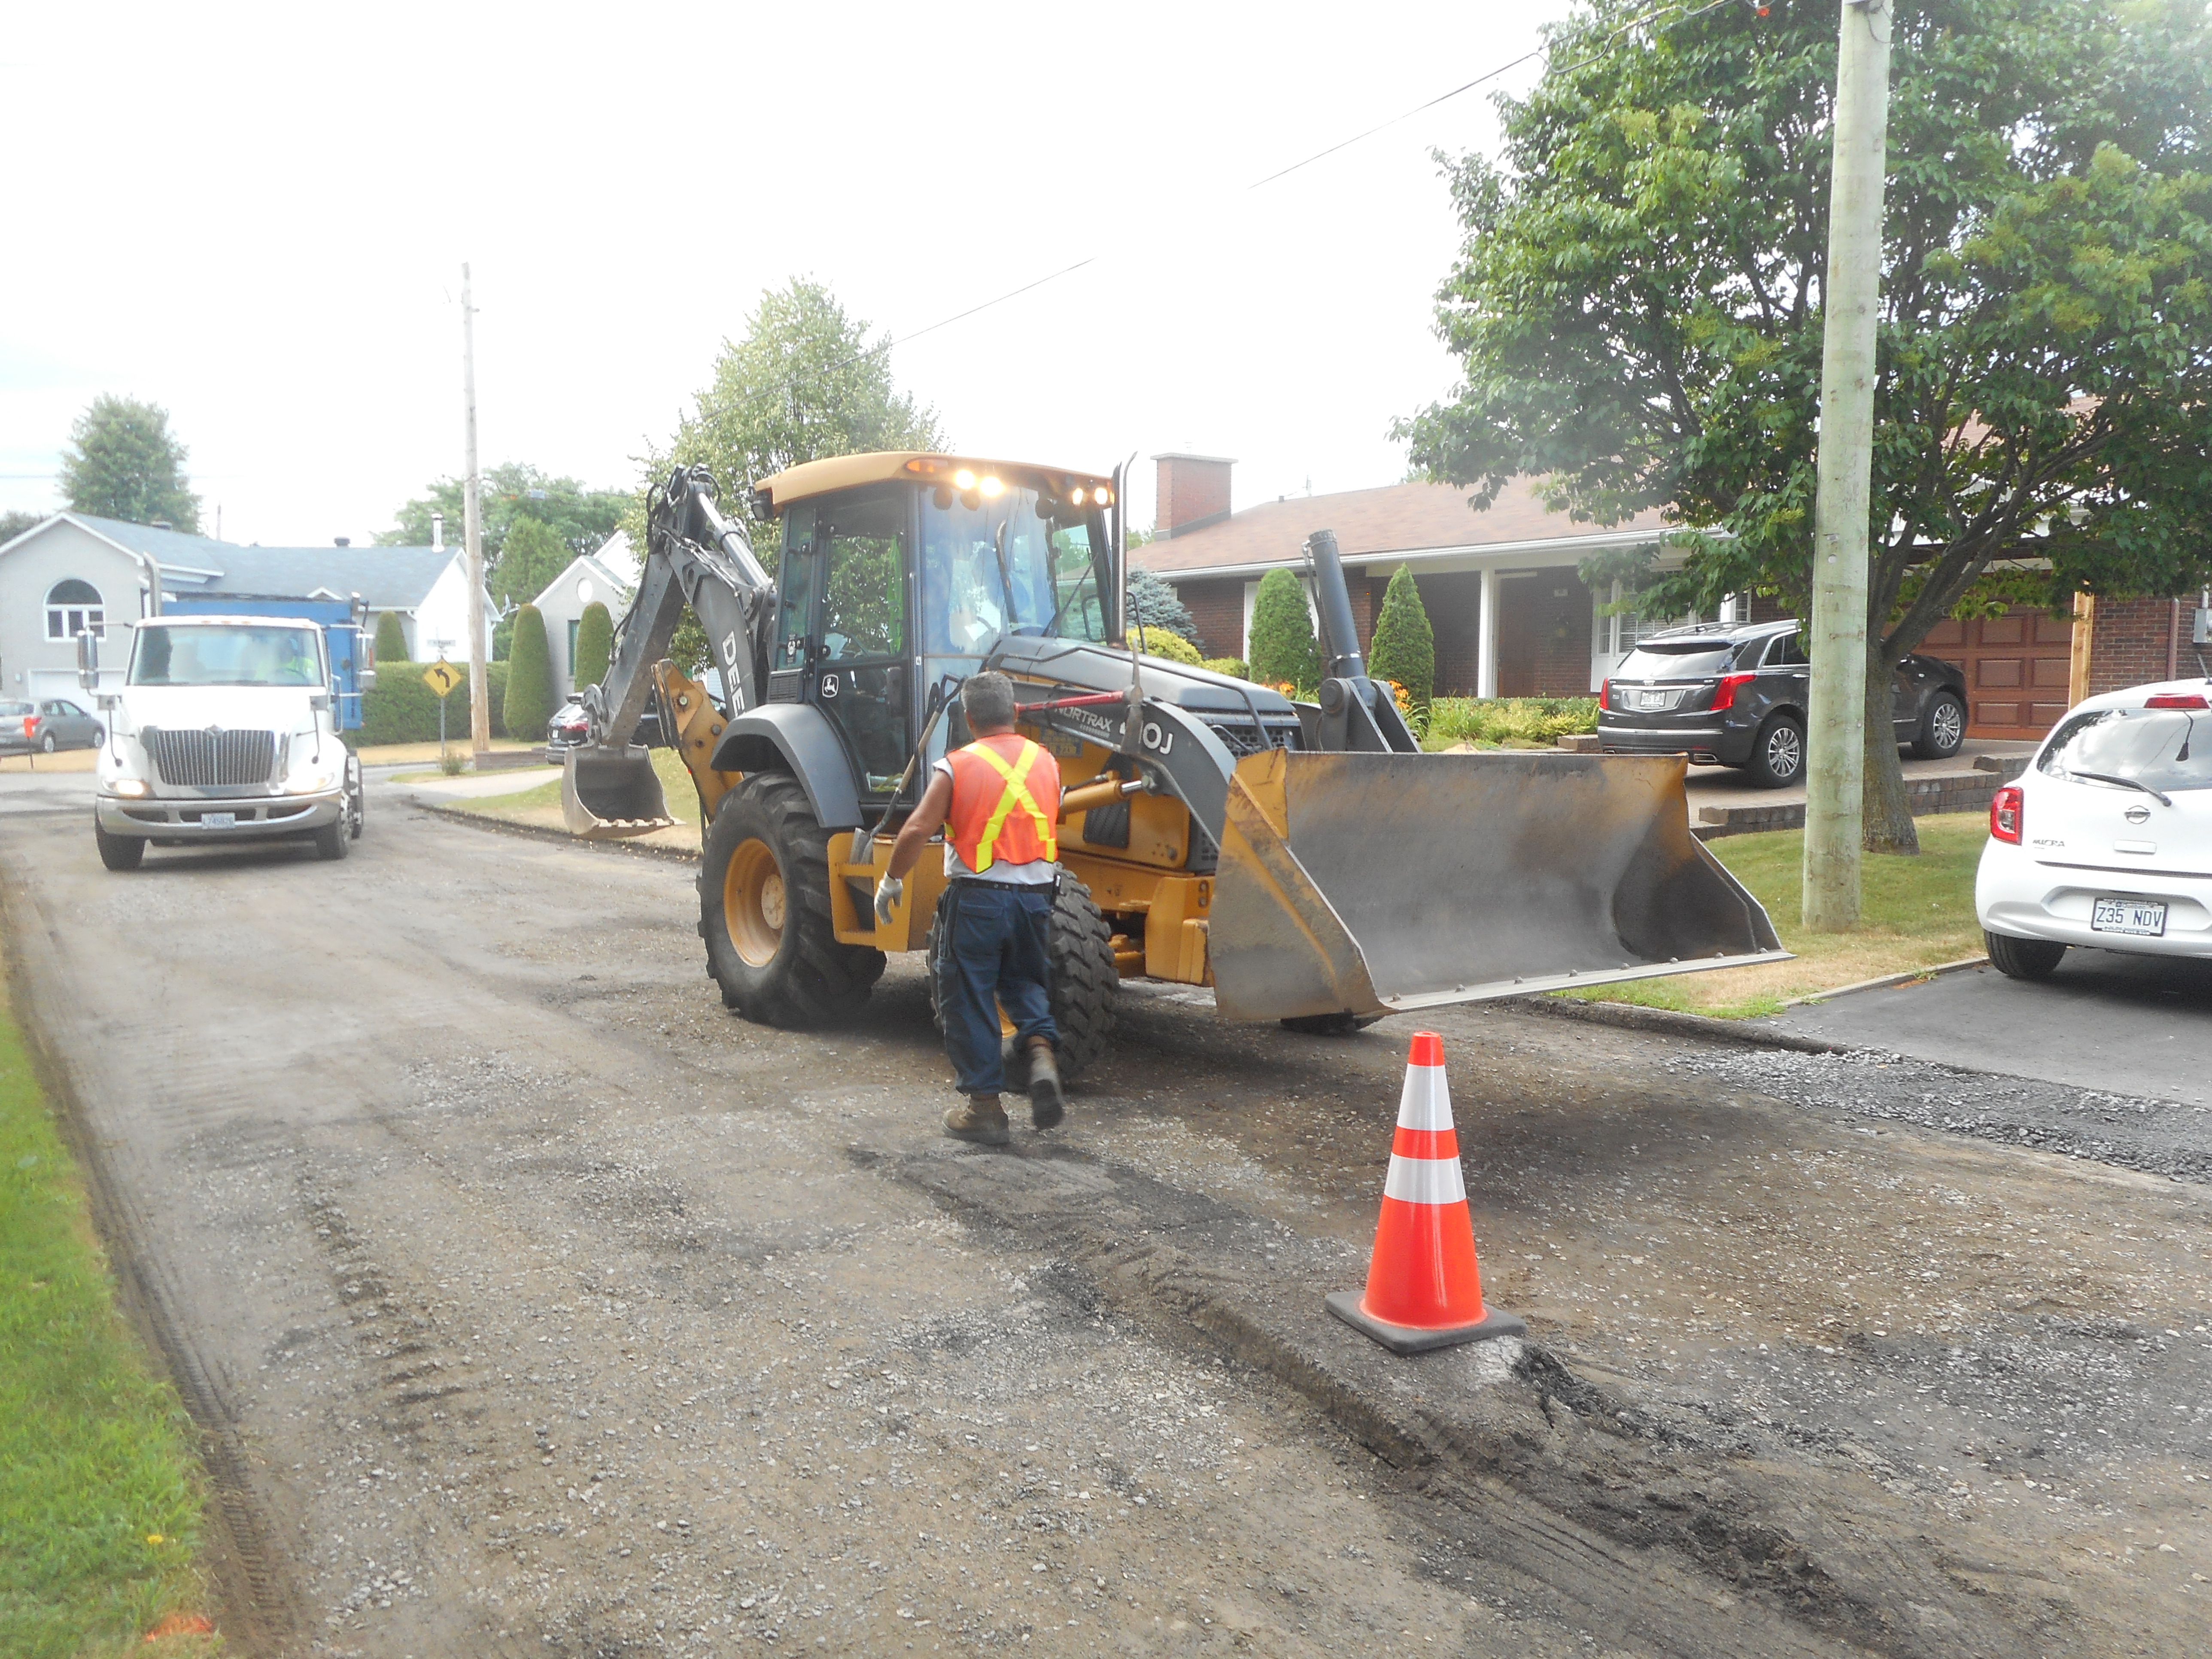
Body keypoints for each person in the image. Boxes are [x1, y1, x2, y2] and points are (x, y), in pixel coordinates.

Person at [874, 672, 1063, 1146]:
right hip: (1038, 897)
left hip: (979, 899)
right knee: (1024, 980)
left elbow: (917, 830)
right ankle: (1040, 1049)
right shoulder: (1047, 763)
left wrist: (891, 880)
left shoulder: (957, 765)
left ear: (968, 717)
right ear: (1015, 711)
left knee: (969, 995)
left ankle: (984, 1110)